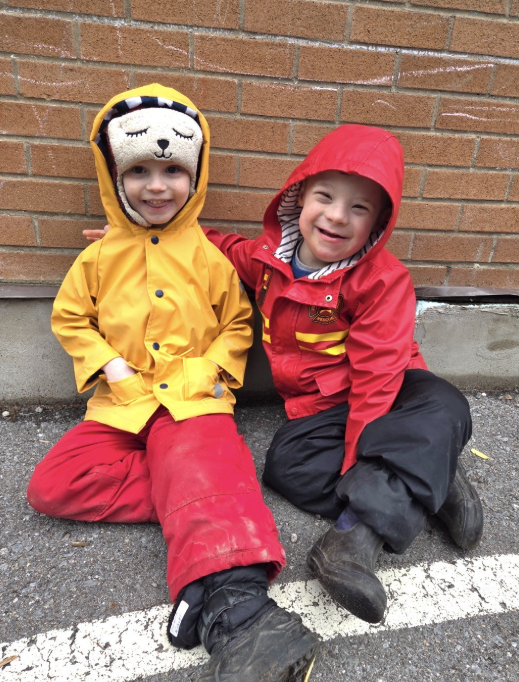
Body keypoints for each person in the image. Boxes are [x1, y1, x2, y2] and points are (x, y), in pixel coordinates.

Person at [86, 123, 483, 627]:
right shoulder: (269, 260)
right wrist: (142, 241)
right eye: (326, 197)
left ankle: (352, 539)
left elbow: (377, 382)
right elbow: (216, 246)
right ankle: (432, 473)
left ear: (379, 223)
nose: (337, 216)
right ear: (298, 199)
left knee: (445, 405)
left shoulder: (383, 280)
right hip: (320, 408)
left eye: (359, 208)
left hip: (392, 397)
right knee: (285, 466)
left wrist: (354, 462)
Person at [27, 84, 319, 682]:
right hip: (125, 399)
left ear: (194, 177)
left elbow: (239, 323)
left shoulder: (209, 257)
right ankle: (207, 498)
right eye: (138, 171)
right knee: (51, 484)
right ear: (114, 175)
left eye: (171, 171)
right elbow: (71, 319)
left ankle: (244, 621)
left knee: (189, 453)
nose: (156, 186)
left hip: (191, 395)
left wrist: (216, 368)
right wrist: (106, 364)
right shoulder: (98, 257)